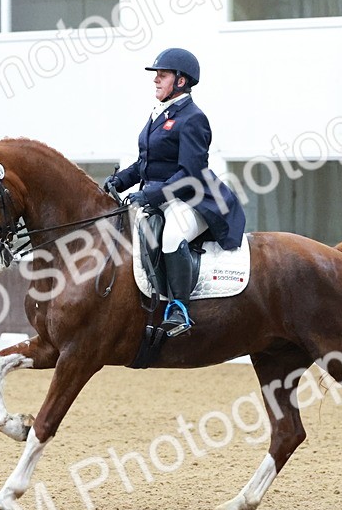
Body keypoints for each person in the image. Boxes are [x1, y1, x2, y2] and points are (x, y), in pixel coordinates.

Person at [102, 48, 245, 337]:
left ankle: (179, 308)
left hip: (195, 199)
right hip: (166, 198)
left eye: (162, 75)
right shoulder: (159, 114)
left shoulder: (193, 118)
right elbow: (145, 164)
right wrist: (120, 181)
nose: (156, 80)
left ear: (180, 81)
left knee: (171, 237)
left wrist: (150, 196)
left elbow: (190, 173)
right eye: (156, 75)